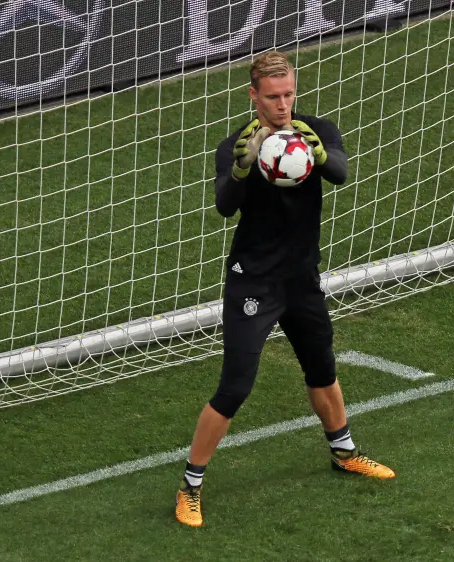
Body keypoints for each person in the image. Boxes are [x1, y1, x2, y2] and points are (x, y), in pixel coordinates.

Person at [175, 51, 395, 528]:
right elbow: (223, 208)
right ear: (253, 95)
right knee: (234, 387)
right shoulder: (235, 144)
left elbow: (339, 171)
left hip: (301, 278)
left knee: (322, 369)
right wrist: (240, 170)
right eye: (273, 96)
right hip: (252, 281)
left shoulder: (316, 130)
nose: (283, 104)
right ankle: (189, 486)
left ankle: (344, 452)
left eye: (289, 94)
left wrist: (316, 153)